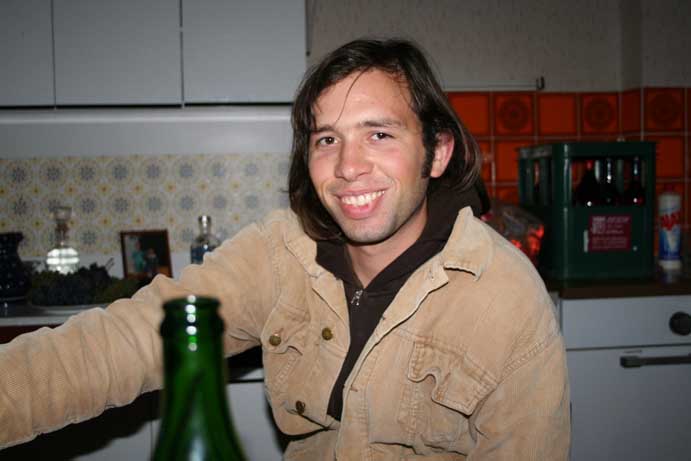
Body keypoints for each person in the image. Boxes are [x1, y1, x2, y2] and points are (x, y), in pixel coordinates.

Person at [0, 38, 570, 459]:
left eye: (379, 134)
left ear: (437, 152)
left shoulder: (505, 299)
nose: (348, 166)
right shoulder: (278, 254)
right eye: (327, 139)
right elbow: (121, 343)